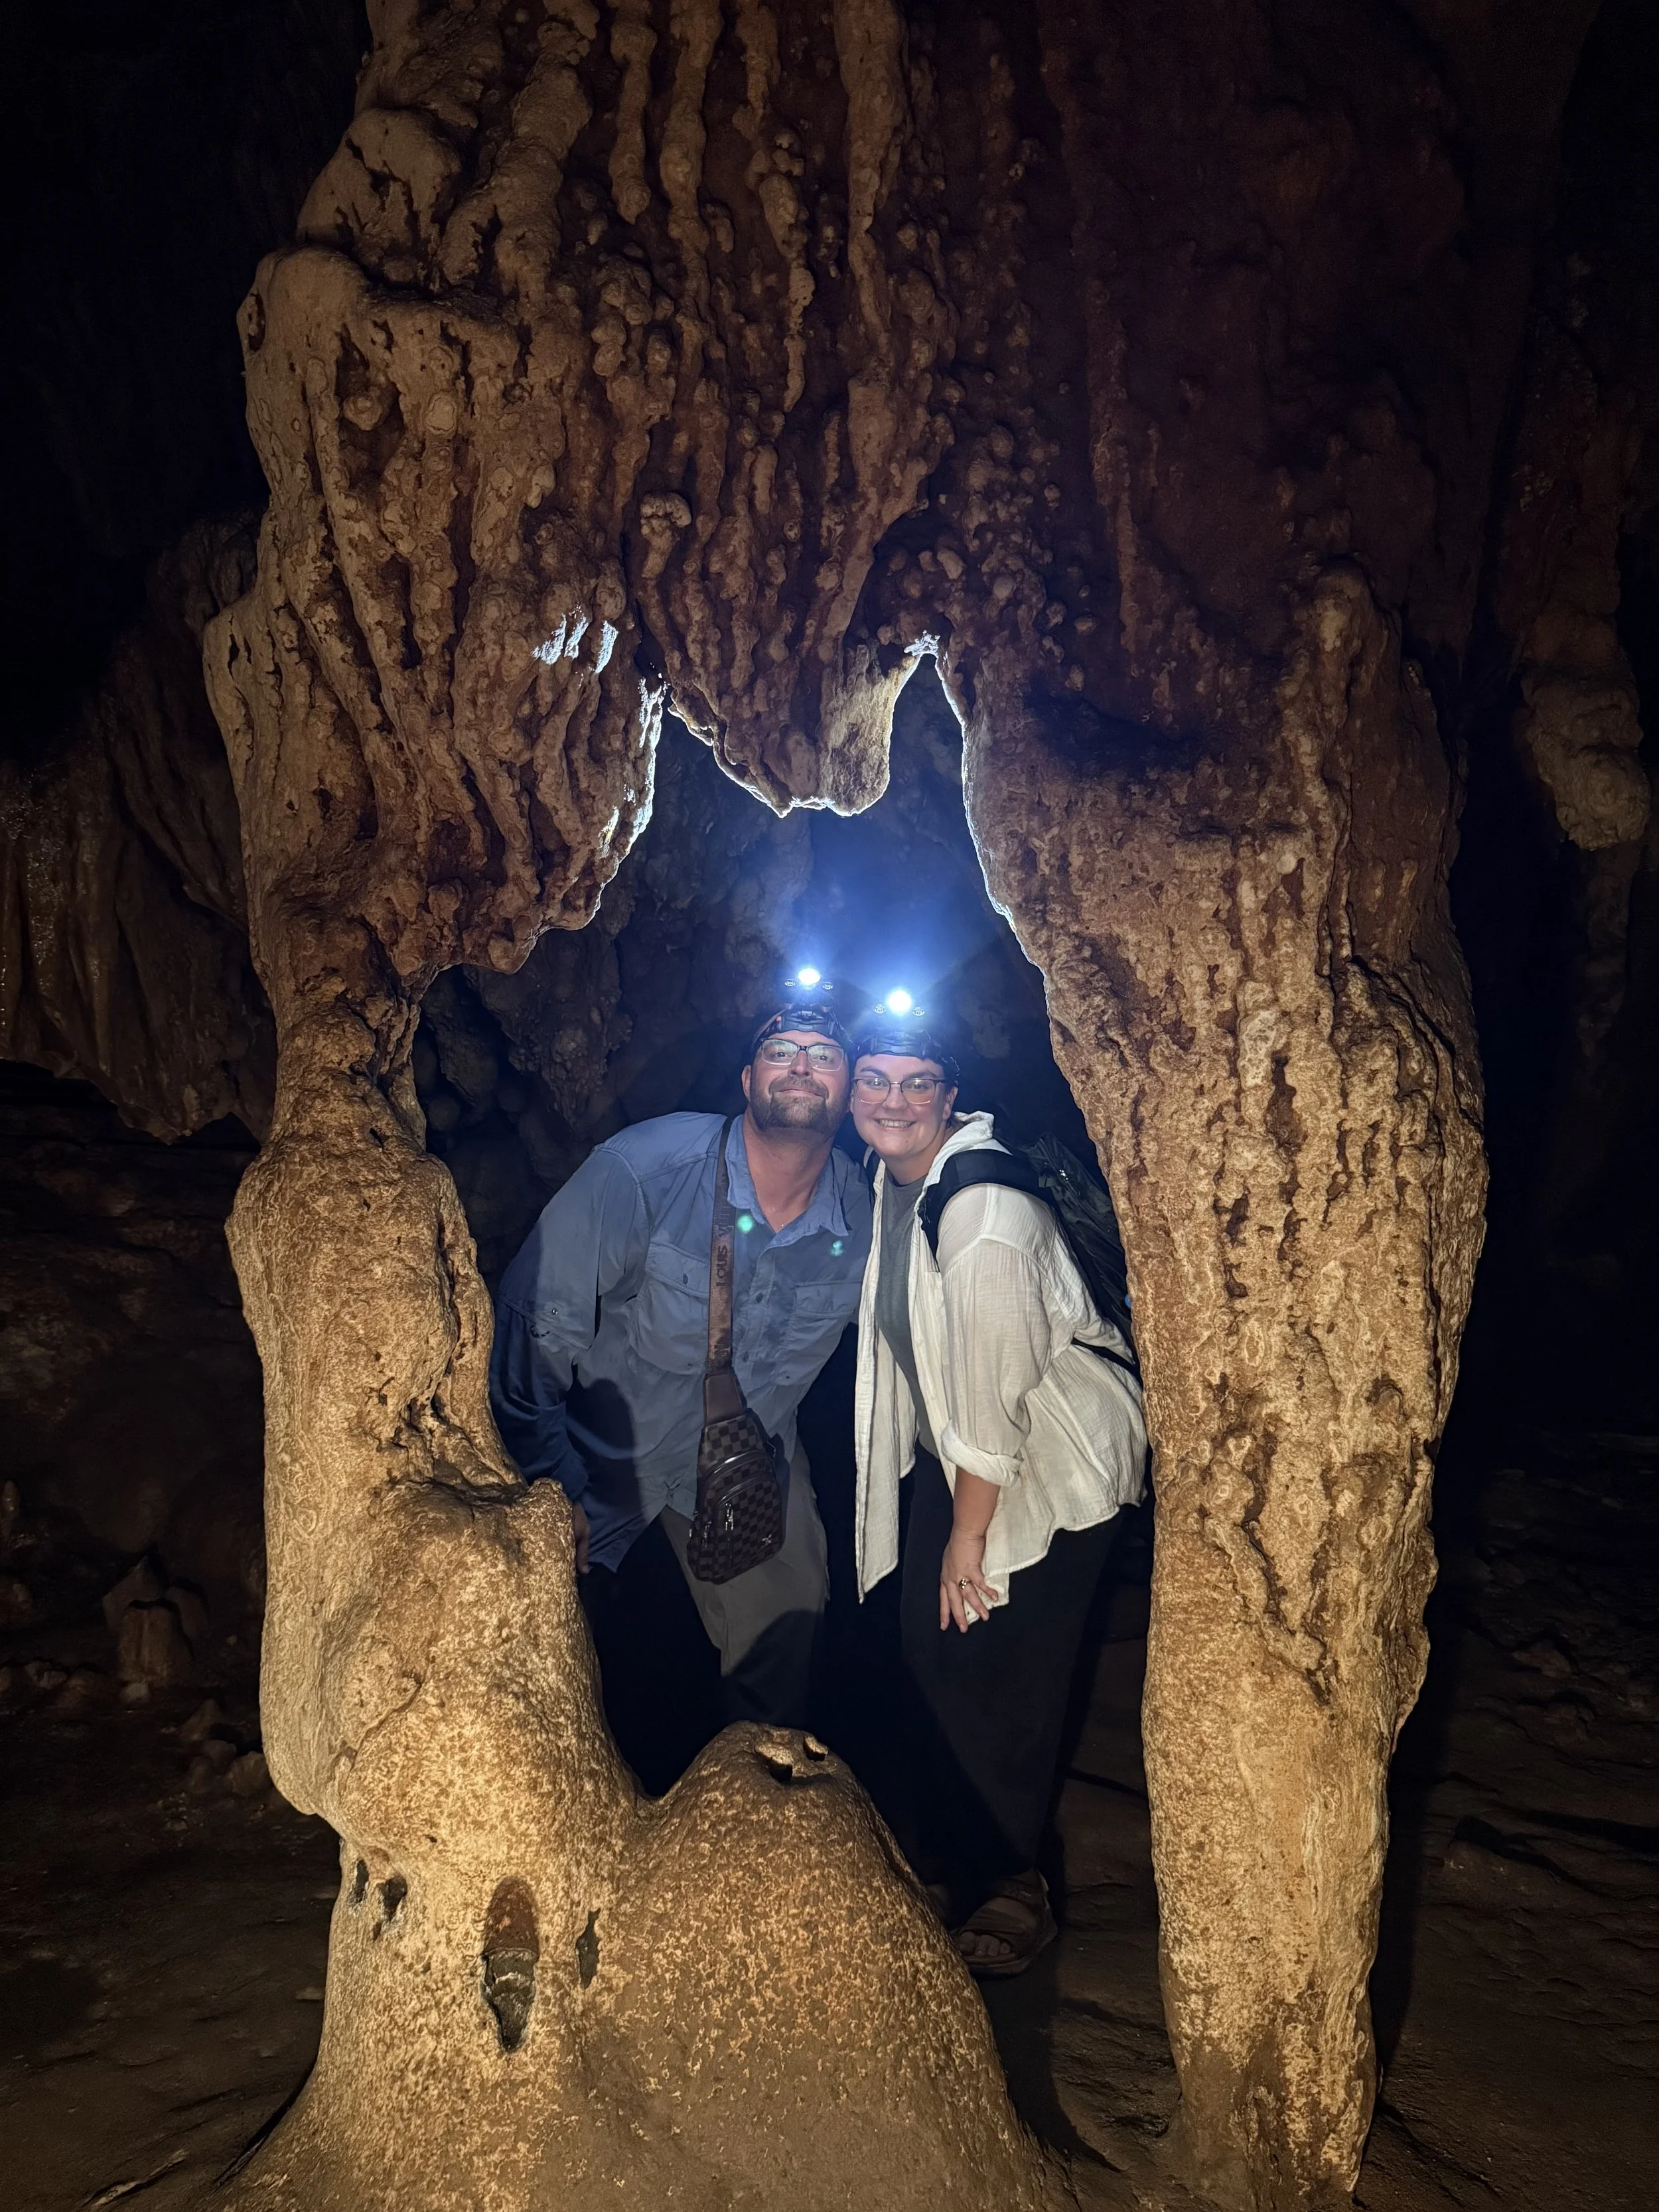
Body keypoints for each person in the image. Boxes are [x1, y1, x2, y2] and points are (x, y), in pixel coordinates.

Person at [849, 1008, 1147, 1976]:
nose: (893, 1101)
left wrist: (968, 1538)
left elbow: (992, 1388)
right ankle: (942, 1858)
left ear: (950, 1096)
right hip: (967, 1450)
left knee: (997, 1668)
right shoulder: (896, 1182)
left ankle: (1011, 1884)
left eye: (915, 1083)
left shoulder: (980, 1217)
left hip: (1050, 1465)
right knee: (927, 1652)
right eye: (875, 1080)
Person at [489, 986, 871, 1733]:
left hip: (746, 1458)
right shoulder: (646, 1170)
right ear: (747, 1080)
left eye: (824, 1057)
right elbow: (536, 1323)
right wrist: (544, 1482)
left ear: (849, 1089)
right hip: (603, 1455)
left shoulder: (862, 1214)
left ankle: (744, 1812)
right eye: (780, 1052)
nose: (800, 1067)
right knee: (538, 1644)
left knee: (788, 1619)